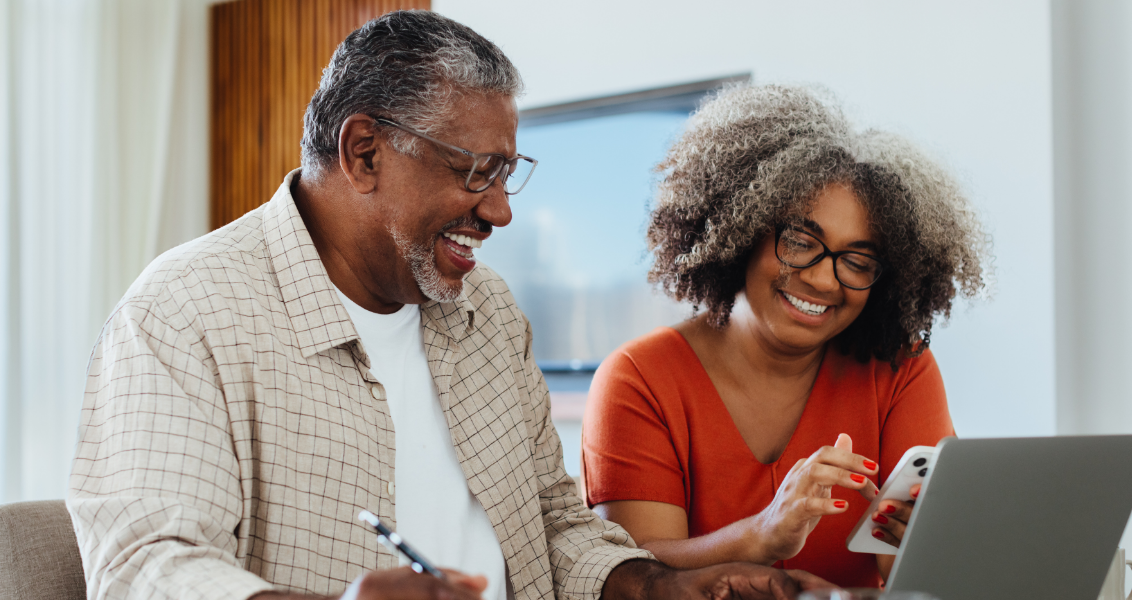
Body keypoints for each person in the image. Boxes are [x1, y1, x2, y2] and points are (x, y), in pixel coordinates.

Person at [66, 13, 832, 600]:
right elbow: (145, 569)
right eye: (475, 173)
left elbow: (554, 525)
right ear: (363, 152)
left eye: (508, 173)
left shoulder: (490, 311)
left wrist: (658, 586)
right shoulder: (184, 314)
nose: (500, 212)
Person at [581, 84, 991, 588]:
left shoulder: (899, 370)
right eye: (800, 242)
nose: (823, 279)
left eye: (858, 261)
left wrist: (925, 546)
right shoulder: (640, 378)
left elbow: (915, 575)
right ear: (740, 229)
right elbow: (632, 578)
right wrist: (762, 534)